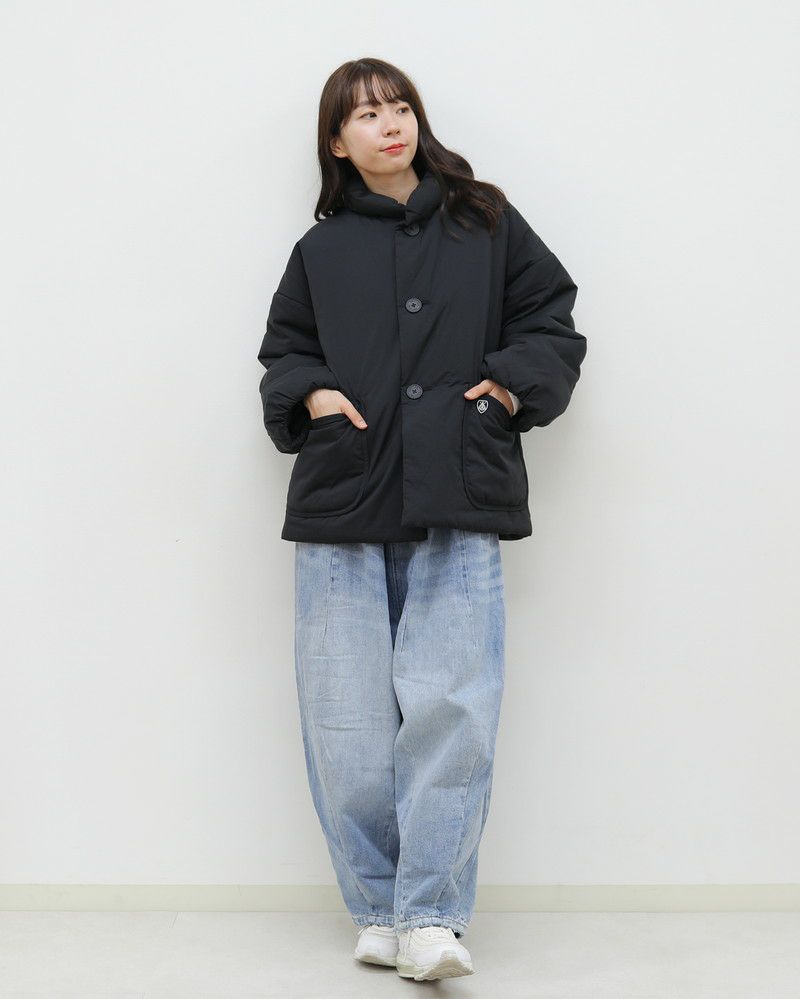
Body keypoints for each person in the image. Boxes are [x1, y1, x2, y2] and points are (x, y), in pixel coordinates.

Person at [257, 57, 587, 981]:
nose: (389, 124)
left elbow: (551, 320)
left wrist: (507, 390)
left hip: (458, 490)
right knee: (346, 720)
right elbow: (285, 350)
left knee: (452, 708)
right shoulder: (321, 250)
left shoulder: (485, 220)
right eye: (365, 115)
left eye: (398, 106)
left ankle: (431, 916)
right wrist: (314, 396)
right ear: (337, 141)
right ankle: (377, 906)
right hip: (346, 498)